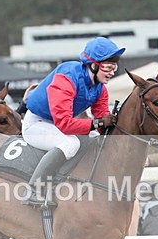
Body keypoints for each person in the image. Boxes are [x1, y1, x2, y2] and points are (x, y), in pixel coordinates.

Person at [20, 36, 123, 206]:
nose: (112, 72)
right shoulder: (66, 78)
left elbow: (101, 122)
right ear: (93, 65)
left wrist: (110, 127)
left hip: (56, 125)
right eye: (108, 67)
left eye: (114, 67)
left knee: (92, 139)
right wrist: (99, 124)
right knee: (71, 144)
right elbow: (65, 124)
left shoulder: (100, 89)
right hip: (36, 124)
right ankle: (32, 191)